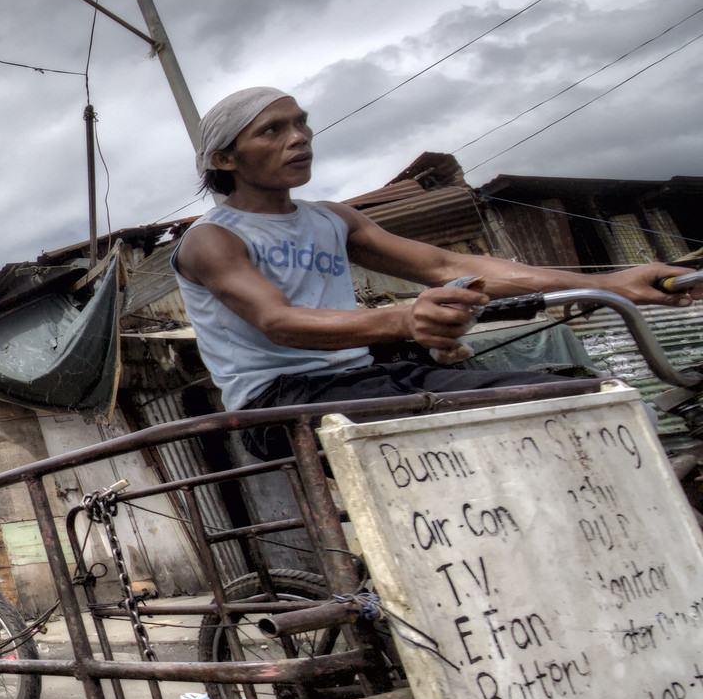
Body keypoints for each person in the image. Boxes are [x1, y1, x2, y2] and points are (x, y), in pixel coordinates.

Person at [174, 87, 688, 452]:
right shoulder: (213, 239)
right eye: (273, 130)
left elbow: (447, 264)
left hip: (362, 380)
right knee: (535, 405)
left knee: (585, 394)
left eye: (301, 121)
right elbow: (279, 322)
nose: (300, 136)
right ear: (225, 158)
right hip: (278, 403)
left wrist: (610, 284)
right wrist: (402, 320)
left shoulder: (331, 219)